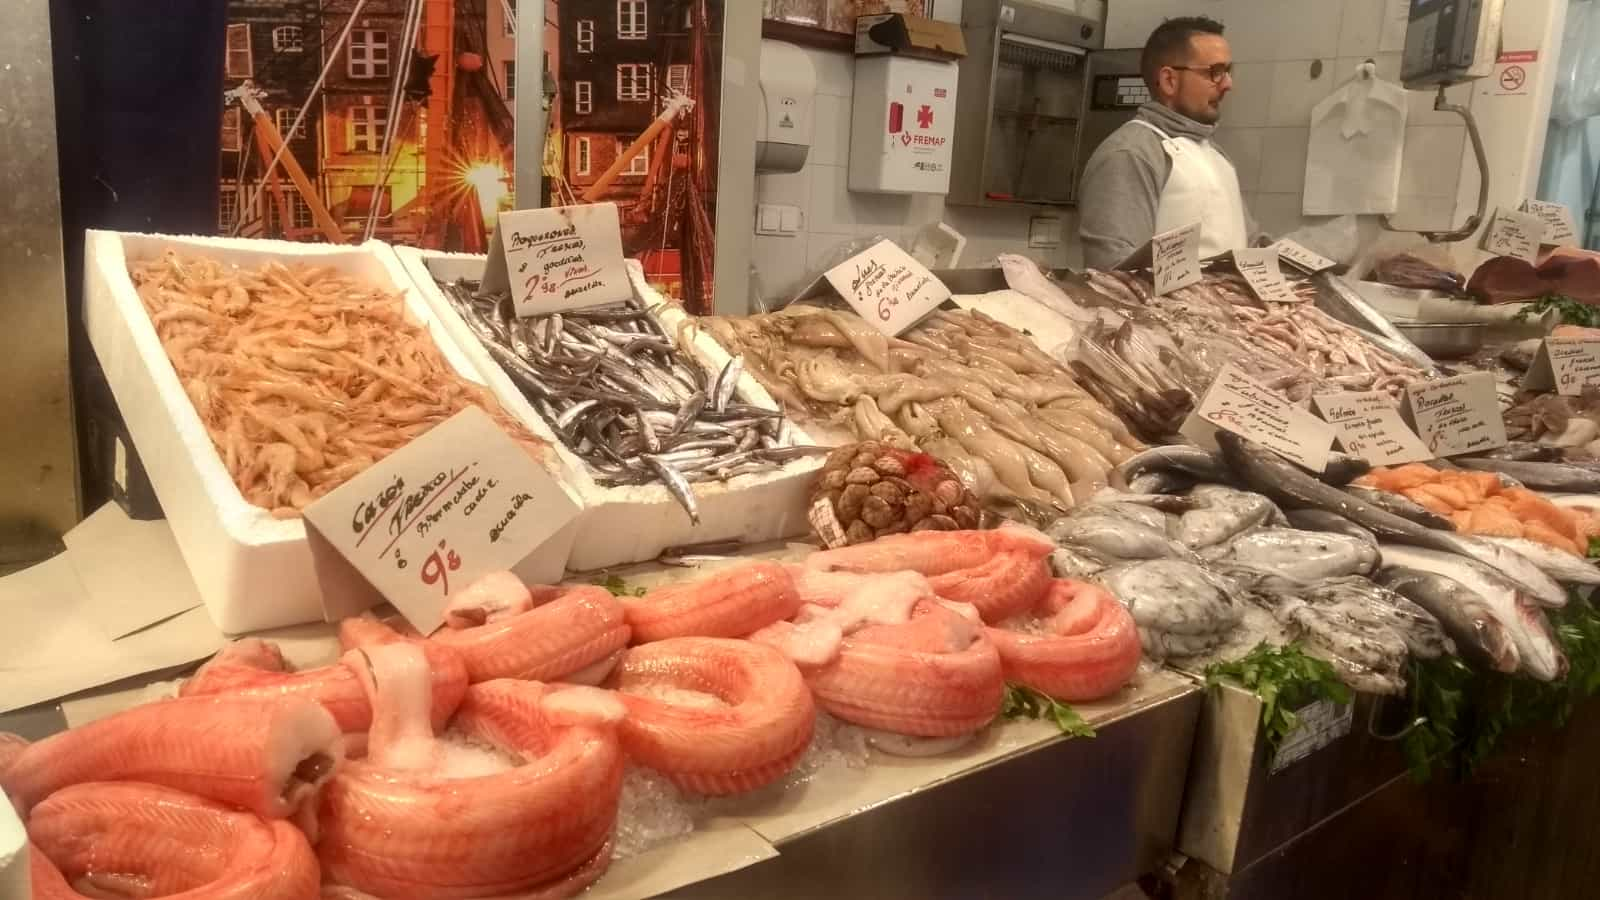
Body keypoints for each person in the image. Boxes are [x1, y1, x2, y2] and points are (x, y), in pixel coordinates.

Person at [1078, 16, 1266, 271]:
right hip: (1165, 312)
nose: (1228, 84)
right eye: (1215, 72)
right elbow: (1112, 276)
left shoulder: (1217, 156)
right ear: (1169, 80)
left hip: (1224, 311)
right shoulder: (1130, 153)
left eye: (1228, 72)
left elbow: (1251, 247)